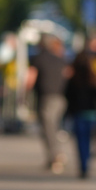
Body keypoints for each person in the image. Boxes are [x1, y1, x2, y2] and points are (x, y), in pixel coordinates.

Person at [27, 34, 70, 173]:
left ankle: (56, 156)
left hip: (46, 98)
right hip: (60, 97)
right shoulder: (60, 59)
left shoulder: (38, 58)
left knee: (48, 129)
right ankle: (54, 156)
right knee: (54, 127)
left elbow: (31, 77)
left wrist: (25, 93)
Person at [64, 51, 96, 179]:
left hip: (78, 113)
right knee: (89, 140)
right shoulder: (93, 77)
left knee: (80, 141)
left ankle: (83, 165)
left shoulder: (73, 79)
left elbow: (67, 96)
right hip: (92, 114)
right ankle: (86, 163)